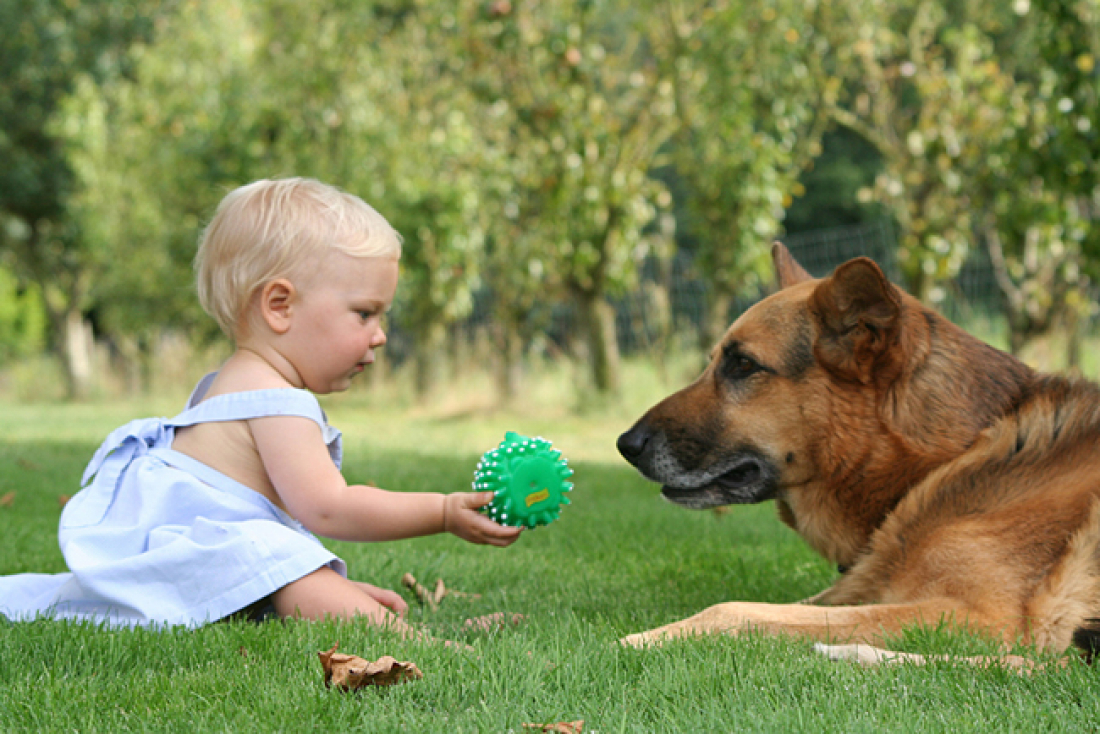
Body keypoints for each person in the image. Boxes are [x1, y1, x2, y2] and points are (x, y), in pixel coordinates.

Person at [0, 177, 522, 632]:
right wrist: (445, 510)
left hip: (186, 561)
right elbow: (328, 508)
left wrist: (327, 583)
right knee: (283, 562)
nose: (380, 336)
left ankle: (347, 606)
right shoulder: (277, 401)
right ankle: (422, 644)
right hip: (194, 558)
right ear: (279, 306)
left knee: (288, 565)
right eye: (364, 314)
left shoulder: (227, 382)